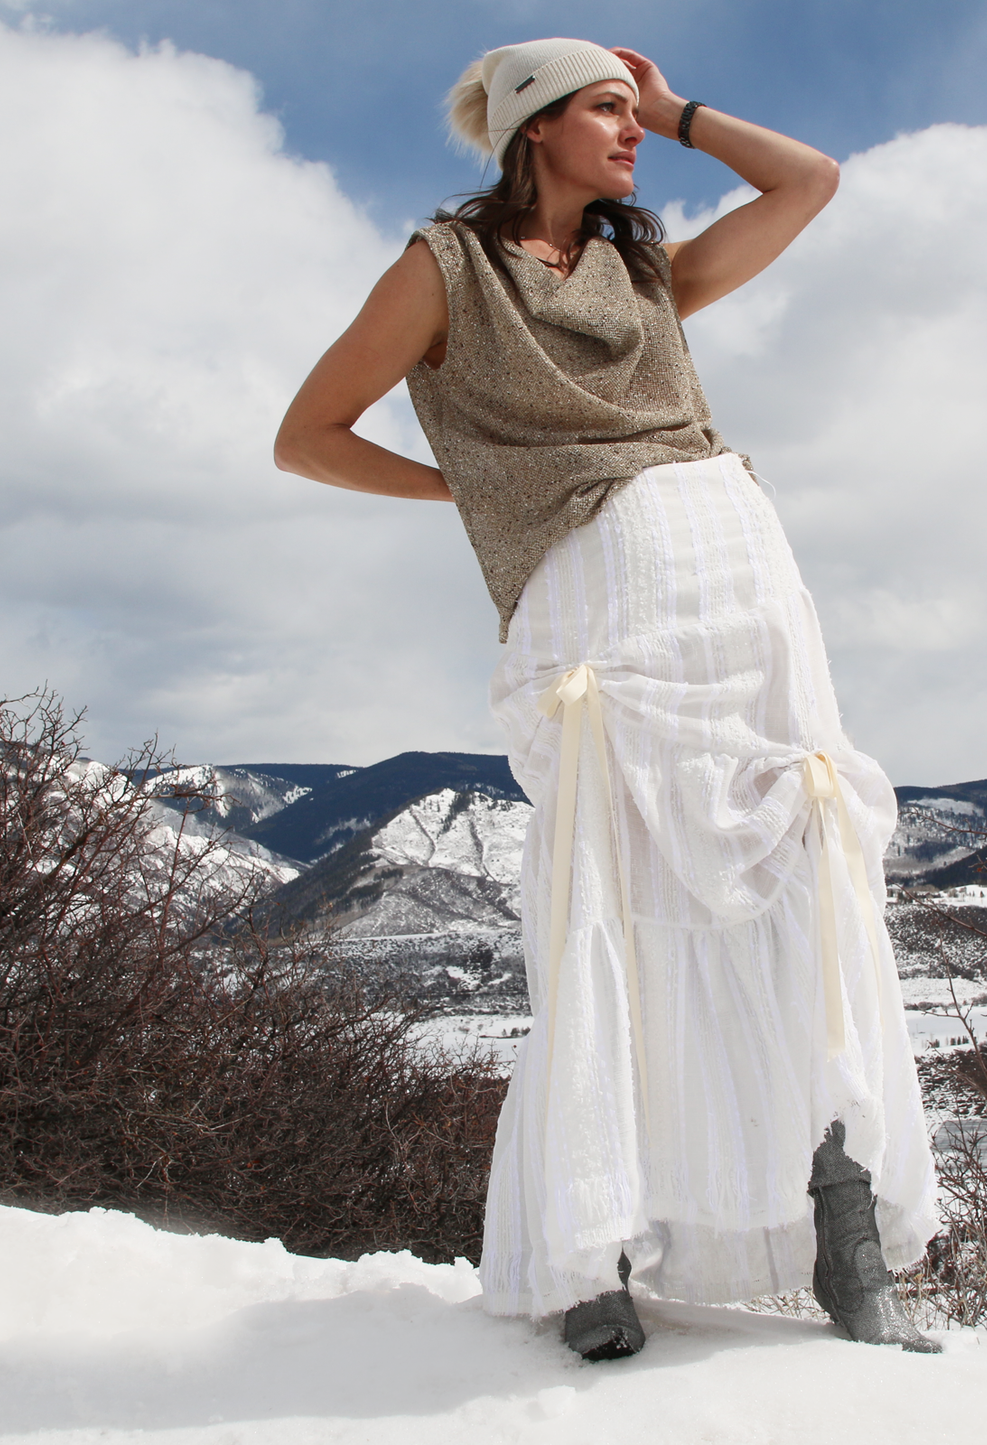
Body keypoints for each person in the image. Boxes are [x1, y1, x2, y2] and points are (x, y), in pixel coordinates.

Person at [275, 37, 940, 1361]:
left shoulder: (645, 269)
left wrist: (683, 108)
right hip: (599, 604)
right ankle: (594, 1253)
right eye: (607, 109)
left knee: (803, 888)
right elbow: (308, 437)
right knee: (607, 894)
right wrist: (479, 487)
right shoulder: (446, 269)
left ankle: (849, 1244)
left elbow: (809, 181)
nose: (633, 132)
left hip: (743, 582)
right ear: (534, 126)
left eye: (638, 113)